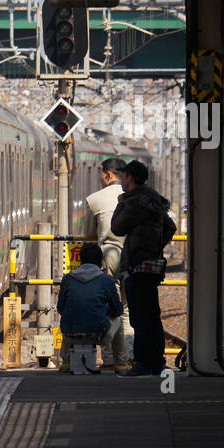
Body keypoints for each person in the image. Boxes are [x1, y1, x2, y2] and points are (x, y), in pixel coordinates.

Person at [110, 160, 177, 377]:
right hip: (151, 265)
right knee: (151, 316)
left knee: (139, 318)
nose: (121, 181)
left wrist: (120, 203)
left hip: (137, 266)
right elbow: (170, 227)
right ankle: (156, 362)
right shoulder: (151, 199)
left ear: (130, 178)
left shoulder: (136, 201)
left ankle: (144, 364)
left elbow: (117, 228)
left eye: (123, 177)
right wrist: (155, 247)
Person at [81, 158, 134, 372]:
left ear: (108, 175)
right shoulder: (135, 198)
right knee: (129, 309)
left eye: (101, 176)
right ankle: (129, 355)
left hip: (108, 257)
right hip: (133, 256)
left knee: (110, 308)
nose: (101, 180)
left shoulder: (94, 199)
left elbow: (88, 235)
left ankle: (110, 357)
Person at [56, 242, 123, 373]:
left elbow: (60, 309)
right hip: (99, 335)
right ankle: (121, 363)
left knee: (69, 317)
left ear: (80, 260)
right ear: (101, 262)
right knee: (119, 321)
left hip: (71, 335)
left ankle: (66, 361)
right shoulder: (106, 280)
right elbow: (118, 310)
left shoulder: (68, 279)